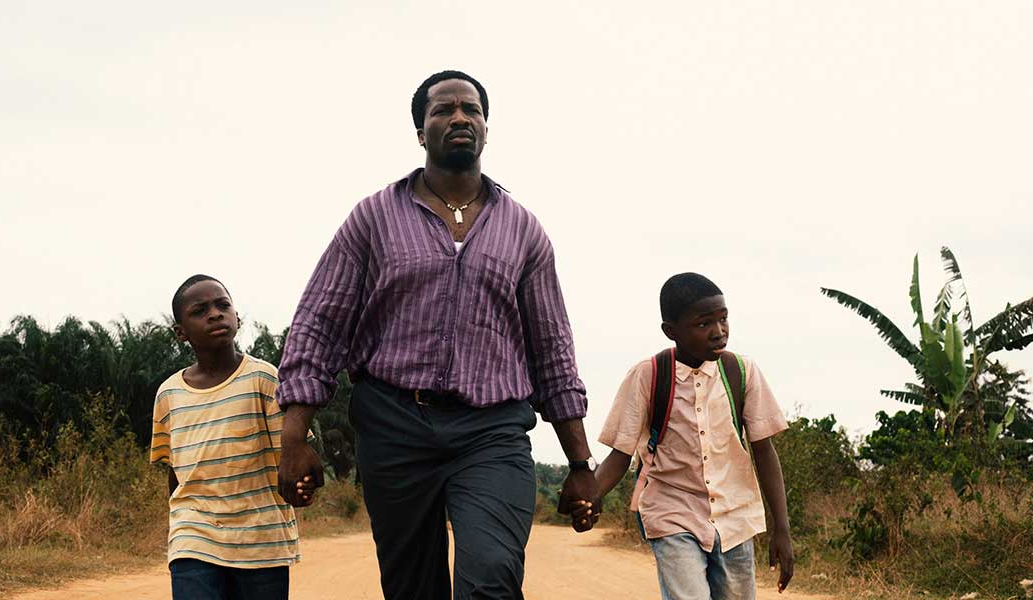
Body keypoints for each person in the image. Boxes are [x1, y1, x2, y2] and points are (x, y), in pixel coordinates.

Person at [275, 70, 599, 600]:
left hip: (491, 431)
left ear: (486, 129)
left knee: (492, 576)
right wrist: (294, 438)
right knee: (411, 587)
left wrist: (580, 464)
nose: (458, 118)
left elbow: (553, 351)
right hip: (394, 425)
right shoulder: (373, 217)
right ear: (420, 132)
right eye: (442, 110)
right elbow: (320, 323)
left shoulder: (524, 231)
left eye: (470, 110)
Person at [590, 272, 795, 599]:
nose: (718, 332)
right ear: (671, 331)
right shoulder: (648, 376)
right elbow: (620, 453)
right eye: (703, 324)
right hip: (671, 514)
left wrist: (781, 530)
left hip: (734, 518)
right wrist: (591, 496)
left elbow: (764, 450)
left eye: (723, 319)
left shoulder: (741, 372)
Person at [150, 274, 313, 600]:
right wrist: (179, 522)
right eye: (200, 310)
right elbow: (175, 471)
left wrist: (301, 484)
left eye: (222, 305)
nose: (214, 314)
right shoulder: (168, 395)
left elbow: (293, 453)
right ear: (180, 333)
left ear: (236, 316)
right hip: (193, 536)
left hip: (261, 540)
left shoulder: (264, 378)